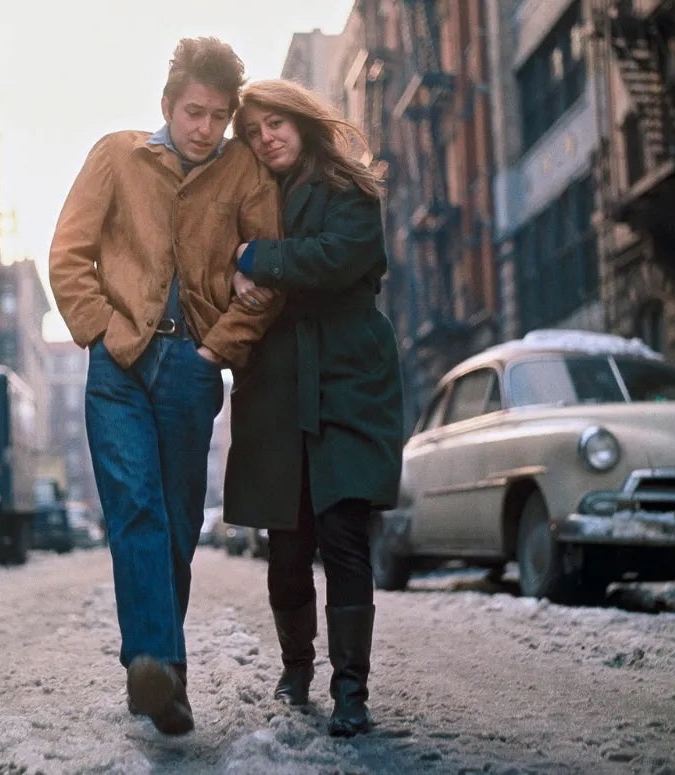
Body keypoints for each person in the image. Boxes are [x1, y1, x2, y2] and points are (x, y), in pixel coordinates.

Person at [48, 39, 281, 736]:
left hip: (192, 367)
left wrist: (219, 349)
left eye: (217, 115)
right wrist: (101, 332)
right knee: (137, 509)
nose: (204, 128)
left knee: (178, 523)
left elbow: (265, 277)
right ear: (167, 105)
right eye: (193, 112)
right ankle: (153, 661)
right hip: (118, 367)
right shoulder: (117, 156)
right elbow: (69, 254)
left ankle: (160, 673)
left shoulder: (243, 173)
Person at [223, 79, 405, 738]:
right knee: (287, 543)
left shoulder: (350, 190)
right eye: (254, 130)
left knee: (344, 537)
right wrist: (235, 267)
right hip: (276, 384)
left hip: (347, 378)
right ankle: (295, 667)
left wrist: (256, 257)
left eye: (276, 123)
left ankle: (351, 689)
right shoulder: (249, 198)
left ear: (302, 123)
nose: (267, 137)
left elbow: (334, 260)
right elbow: (221, 267)